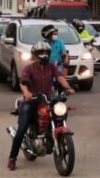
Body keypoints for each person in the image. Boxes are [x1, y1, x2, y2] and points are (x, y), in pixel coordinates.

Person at [8, 41, 75, 170]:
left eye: (46, 52)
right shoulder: (29, 68)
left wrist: (68, 87)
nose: (43, 55)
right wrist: (27, 93)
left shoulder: (51, 67)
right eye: (41, 53)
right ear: (35, 54)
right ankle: (12, 158)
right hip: (32, 100)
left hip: (48, 99)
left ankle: (53, 136)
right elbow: (23, 82)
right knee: (22, 129)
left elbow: (60, 77)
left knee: (61, 113)